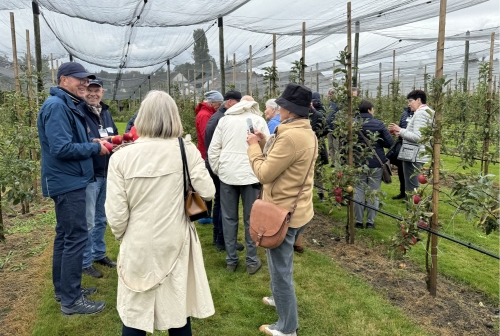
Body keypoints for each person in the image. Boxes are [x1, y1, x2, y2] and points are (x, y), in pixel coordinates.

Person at [105, 90, 215, 336]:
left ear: (142, 117)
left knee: (135, 311)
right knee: (178, 306)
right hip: (176, 238)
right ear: (174, 117)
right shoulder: (186, 151)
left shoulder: (121, 157)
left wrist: (124, 235)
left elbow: (116, 213)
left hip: (138, 239)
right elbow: (207, 191)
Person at [37, 62, 108, 315]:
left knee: (65, 237)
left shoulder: (66, 105)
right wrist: (94, 148)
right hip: (69, 182)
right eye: (79, 79)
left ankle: (64, 290)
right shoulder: (57, 106)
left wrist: (92, 140)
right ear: (63, 79)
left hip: (69, 179)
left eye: (86, 80)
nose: (84, 84)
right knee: (76, 237)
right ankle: (71, 300)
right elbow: (60, 148)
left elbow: (68, 141)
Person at [246, 83, 317, 336]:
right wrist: (265, 142)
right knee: (280, 265)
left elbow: (264, 173)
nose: (278, 109)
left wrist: (253, 146)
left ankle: (287, 328)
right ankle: (279, 298)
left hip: (282, 213)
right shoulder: (306, 131)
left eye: (281, 106)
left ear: (287, 109)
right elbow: (285, 162)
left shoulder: (288, 135)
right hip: (299, 210)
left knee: (280, 271)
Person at [208, 95, 270, 274]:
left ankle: (231, 260)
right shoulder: (258, 120)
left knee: (228, 217)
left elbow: (214, 150)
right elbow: (268, 148)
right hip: (251, 174)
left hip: (228, 175)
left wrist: (220, 169)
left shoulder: (225, 121)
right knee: (252, 218)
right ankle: (251, 261)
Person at [79, 78, 118, 279]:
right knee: (88, 221)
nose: (93, 94)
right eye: (89, 90)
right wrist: (95, 143)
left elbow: (114, 135)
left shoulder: (106, 113)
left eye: (97, 90)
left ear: (102, 92)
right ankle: (85, 261)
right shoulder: (79, 112)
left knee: (101, 218)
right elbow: (76, 141)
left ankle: (98, 254)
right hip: (90, 173)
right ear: (84, 91)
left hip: (106, 172)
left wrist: (115, 141)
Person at [204, 90, 244, 252]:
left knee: (220, 203)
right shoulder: (221, 120)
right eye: (238, 103)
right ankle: (222, 240)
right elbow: (214, 148)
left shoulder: (218, 117)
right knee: (224, 205)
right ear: (228, 102)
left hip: (215, 165)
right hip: (219, 167)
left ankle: (218, 237)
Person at [353, 100, 393, 229]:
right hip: (376, 163)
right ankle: (370, 222)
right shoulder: (379, 124)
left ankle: (358, 222)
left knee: (358, 191)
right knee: (373, 192)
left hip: (358, 162)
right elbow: (389, 142)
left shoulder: (353, 124)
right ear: (370, 110)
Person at [389, 90, 434, 196]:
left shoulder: (421, 113)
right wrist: (401, 133)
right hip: (418, 153)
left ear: (419, 100)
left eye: (410, 101)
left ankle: (413, 211)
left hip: (413, 155)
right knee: (413, 186)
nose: (409, 104)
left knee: (412, 188)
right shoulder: (427, 112)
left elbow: (418, 137)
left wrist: (400, 130)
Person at [194, 90, 224, 225]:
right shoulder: (205, 115)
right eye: (218, 103)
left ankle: (206, 214)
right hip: (205, 153)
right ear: (212, 102)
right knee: (208, 184)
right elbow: (209, 136)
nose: (219, 106)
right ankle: (205, 214)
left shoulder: (207, 113)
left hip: (204, 152)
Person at [387, 107, 414, 200]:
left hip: (412, 146)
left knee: (410, 172)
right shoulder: (404, 114)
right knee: (401, 170)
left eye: (411, 101)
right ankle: (403, 192)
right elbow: (401, 128)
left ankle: (410, 196)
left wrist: (402, 132)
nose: (409, 104)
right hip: (402, 144)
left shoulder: (418, 114)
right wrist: (395, 131)